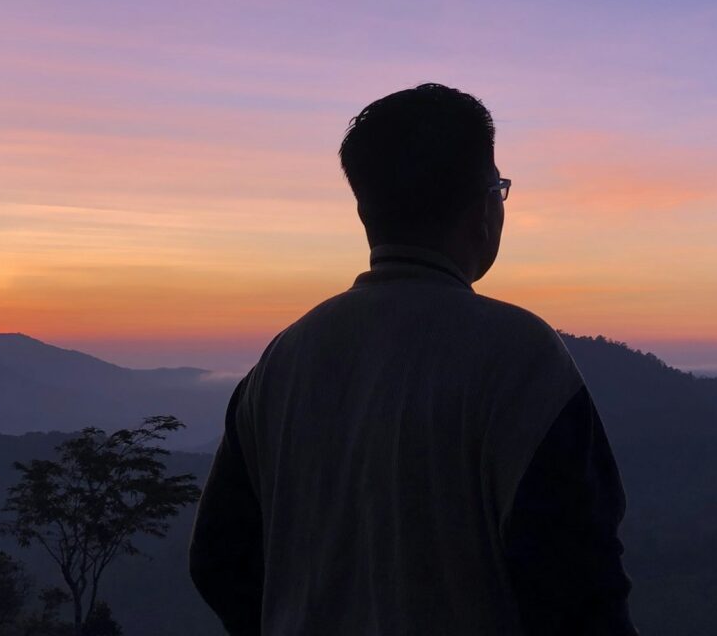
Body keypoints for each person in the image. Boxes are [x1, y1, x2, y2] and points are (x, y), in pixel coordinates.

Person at [189, 83, 634, 635]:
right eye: (499, 187)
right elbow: (579, 587)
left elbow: (217, 558)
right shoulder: (521, 357)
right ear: (481, 206)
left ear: (364, 211)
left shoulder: (283, 360)